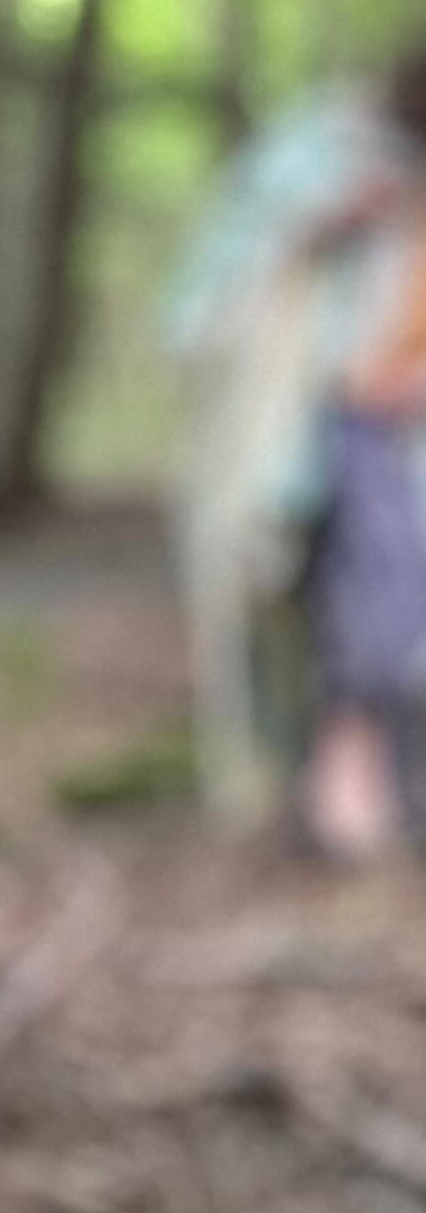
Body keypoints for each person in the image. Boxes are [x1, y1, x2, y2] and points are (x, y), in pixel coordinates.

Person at [164, 48, 426, 855]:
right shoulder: (314, 157)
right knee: (322, 614)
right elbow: (200, 307)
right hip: (320, 440)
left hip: (384, 439)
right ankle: (320, 791)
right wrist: (321, 229)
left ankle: (359, 793)